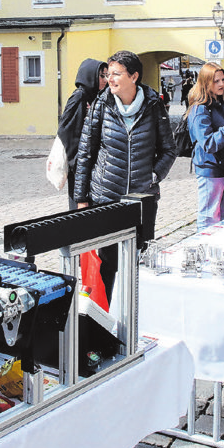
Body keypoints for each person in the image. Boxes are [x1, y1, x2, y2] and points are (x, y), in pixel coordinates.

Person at [74, 51, 176, 293]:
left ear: (134, 76)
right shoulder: (101, 104)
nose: (110, 79)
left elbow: (169, 150)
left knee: (138, 260)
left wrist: (153, 176)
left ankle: (134, 316)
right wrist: (81, 199)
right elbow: (85, 153)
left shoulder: (153, 105)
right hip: (106, 197)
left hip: (141, 200)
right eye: (108, 74)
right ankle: (103, 319)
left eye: (116, 74)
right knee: (108, 264)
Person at [186, 63, 224, 231]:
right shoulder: (200, 108)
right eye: (216, 81)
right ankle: (205, 252)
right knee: (209, 216)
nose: (221, 84)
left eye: (223, 79)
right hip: (210, 167)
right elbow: (208, 144)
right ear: (205, 83)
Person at [56, 59, 108, 209]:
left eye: (106, 75)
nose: (105, 80)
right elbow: (66, 131)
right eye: (101, 75)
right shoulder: (79, 96)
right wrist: (78, 162)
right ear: (89, 76)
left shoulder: (95, 97)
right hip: (80, 166)